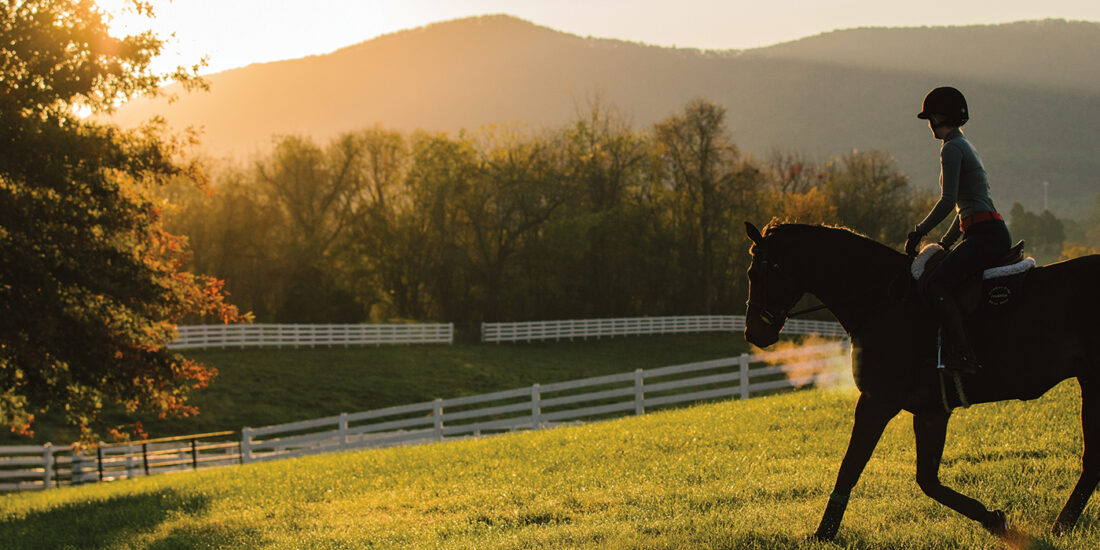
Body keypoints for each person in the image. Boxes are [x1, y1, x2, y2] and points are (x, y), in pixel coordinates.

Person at [904, 86, 1011, 371]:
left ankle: (964, 354)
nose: (929, 125)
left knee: (936, 284)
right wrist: (946, 242)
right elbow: (964, 207)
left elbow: (947, 201)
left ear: (940, 117)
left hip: (984, 235)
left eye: (930, 118)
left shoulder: (951, 148)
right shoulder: (965, 144)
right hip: (987, 230)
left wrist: (919, 231)